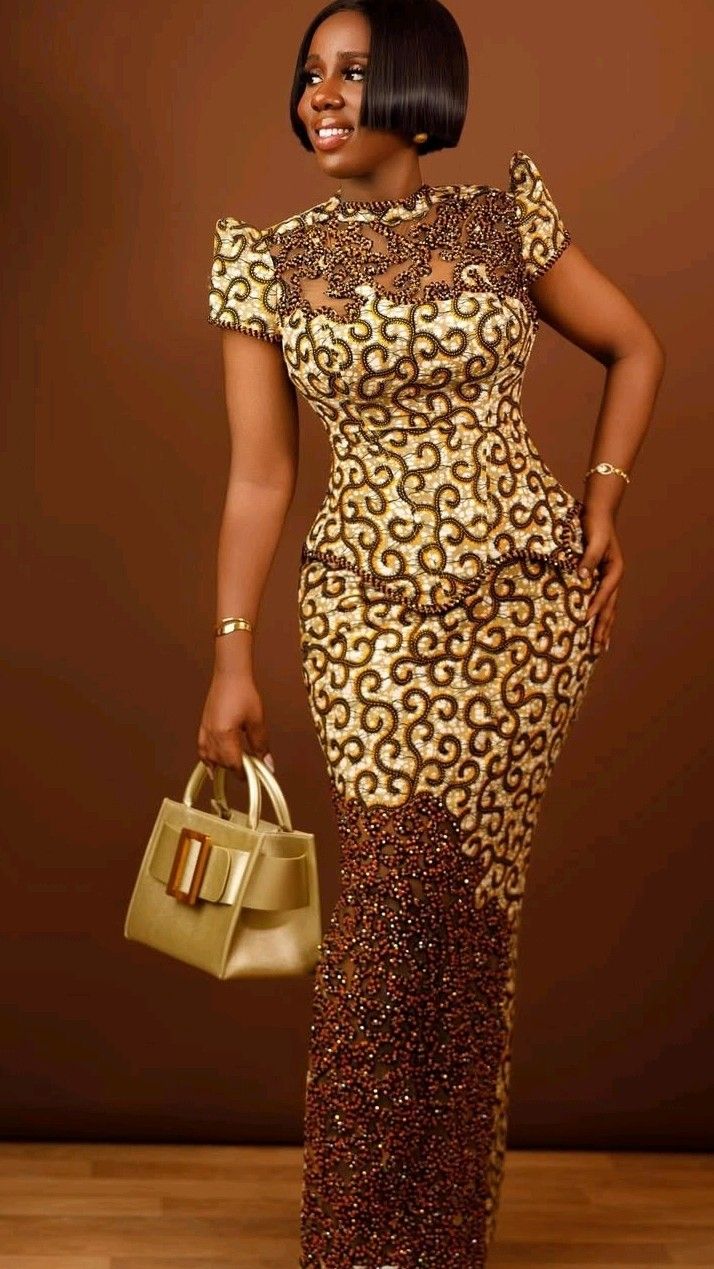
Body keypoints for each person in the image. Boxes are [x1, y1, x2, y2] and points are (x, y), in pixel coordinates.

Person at [199, 0, 665, 1263]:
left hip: (523, 611)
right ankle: (358, 1240)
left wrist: (602, 504)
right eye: (311, 74)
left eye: (352, 72)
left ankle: (441, 1237)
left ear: (418, 88)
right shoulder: (268, 263)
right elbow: (260, 478)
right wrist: (233, 651)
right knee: (390, 908)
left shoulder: (506, 220)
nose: (321, 94)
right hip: (365, 612)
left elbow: (635, 347)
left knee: (469, 918)